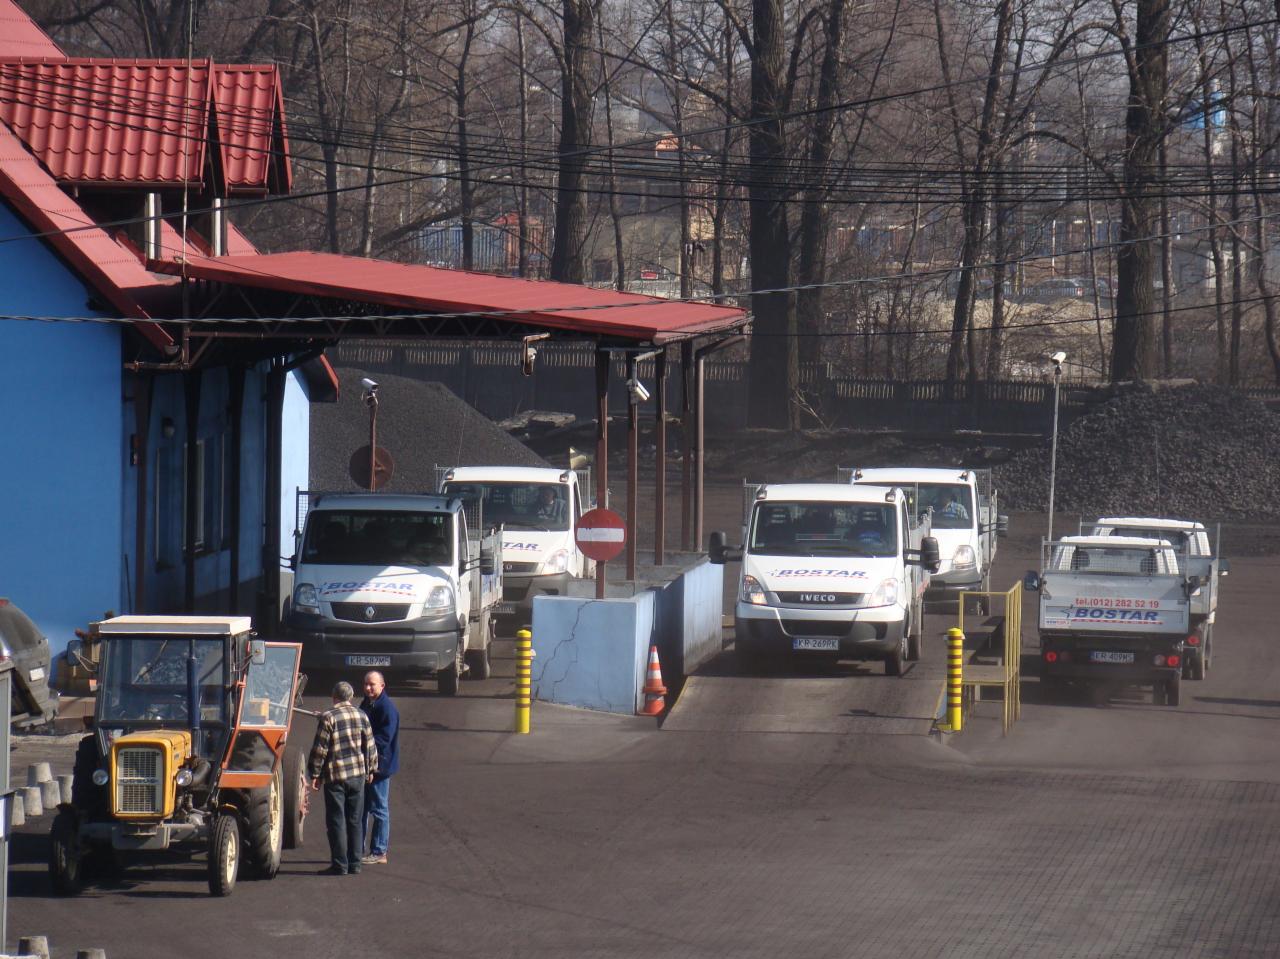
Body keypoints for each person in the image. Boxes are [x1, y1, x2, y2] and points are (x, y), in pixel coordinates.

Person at [308, 680, 378, 876]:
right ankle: (356, 863)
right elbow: (370, 745)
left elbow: (320, 749)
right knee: (355, 820)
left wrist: (315, 774)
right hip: (357, 776)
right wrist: (371, 769)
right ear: (351, 697)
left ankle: (340, 864)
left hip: (335, 776)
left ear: (334, 697)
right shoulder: (361, 715)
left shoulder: (328, 717)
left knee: (336, 821)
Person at [359, 670, 399, 865]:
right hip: (366, 765)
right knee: (363, 808)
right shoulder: (367, 703)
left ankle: (379, 851)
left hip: (379, 767)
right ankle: (357, 849)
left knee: (380, 809)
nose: (368, 688)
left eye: (372, 685)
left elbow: (383, 740)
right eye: (366, 684)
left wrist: (361, 741)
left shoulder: (387, 708)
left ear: (382, 686)